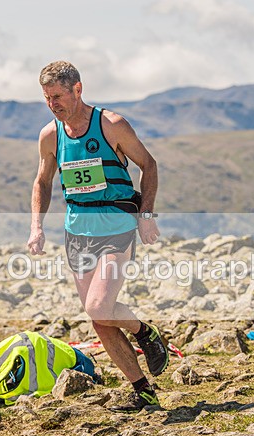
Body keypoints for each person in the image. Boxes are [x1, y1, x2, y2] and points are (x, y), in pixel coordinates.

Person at [27, 60, 170, 412]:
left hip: (117, 225)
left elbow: (148, 165)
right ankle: (144, 392)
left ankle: (143, 332)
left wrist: (146, 214)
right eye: (47, 98)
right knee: (100, 319)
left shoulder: (111, 125)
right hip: (77, 231)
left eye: (58, 96)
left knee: (99, 306)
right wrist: (36, 226)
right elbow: (43, 182)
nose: (53, 104)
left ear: (78, 89)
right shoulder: (50, 135)